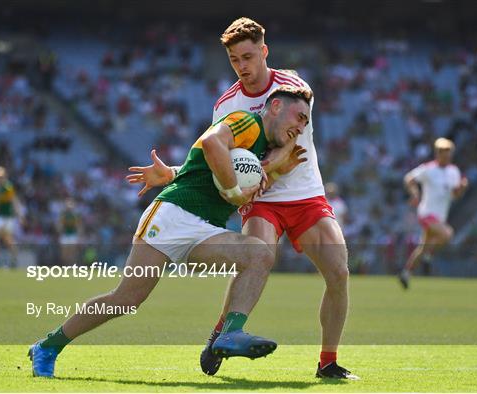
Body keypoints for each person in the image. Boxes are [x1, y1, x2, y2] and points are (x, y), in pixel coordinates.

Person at [28, 85, 312, 378]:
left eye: (306, 123)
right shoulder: (246, 122)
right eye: (299, 117)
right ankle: (47, 346)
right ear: (276, 107)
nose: (301, 127)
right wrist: (233, 192)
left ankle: (231, 332)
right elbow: (213, 146)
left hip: (204, 230)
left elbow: (204, 167)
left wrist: (176, 172)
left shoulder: (260, 148)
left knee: (258, 254)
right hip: (171, 217)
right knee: (125, 300)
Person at [129, 17, 356, 379]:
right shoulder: (227, 104)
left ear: (264, 51)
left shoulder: (294, 87)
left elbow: (292, 139)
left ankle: (327, 363)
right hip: (260, 199)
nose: (243, 67)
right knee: (257, 258)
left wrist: (270, 164)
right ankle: (224, 333)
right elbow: (211, 159)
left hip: (305, 194)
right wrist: (173, 173)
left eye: (248, 57)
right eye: (235, 60)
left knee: (339, 272)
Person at [400, 138, 468, 289]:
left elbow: (455, 195)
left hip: (440, 216)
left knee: (423, 247)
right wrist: (415, 193)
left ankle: (406, 273)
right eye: (443, 152)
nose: (446, 155)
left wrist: (462, 188)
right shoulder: (428, 169)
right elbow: (409, 179)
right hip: (427, 213)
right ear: (437, 153)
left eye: (448, 152)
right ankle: (428, 257)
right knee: (447, 234)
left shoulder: (453, 171)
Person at [0, 166, 25, 269]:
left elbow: (14, 201)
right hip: (0, 217)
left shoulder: (8, 187)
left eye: (1, 176)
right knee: (2, 239)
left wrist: (20, 215)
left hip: (8, 218)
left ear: (4, 176)